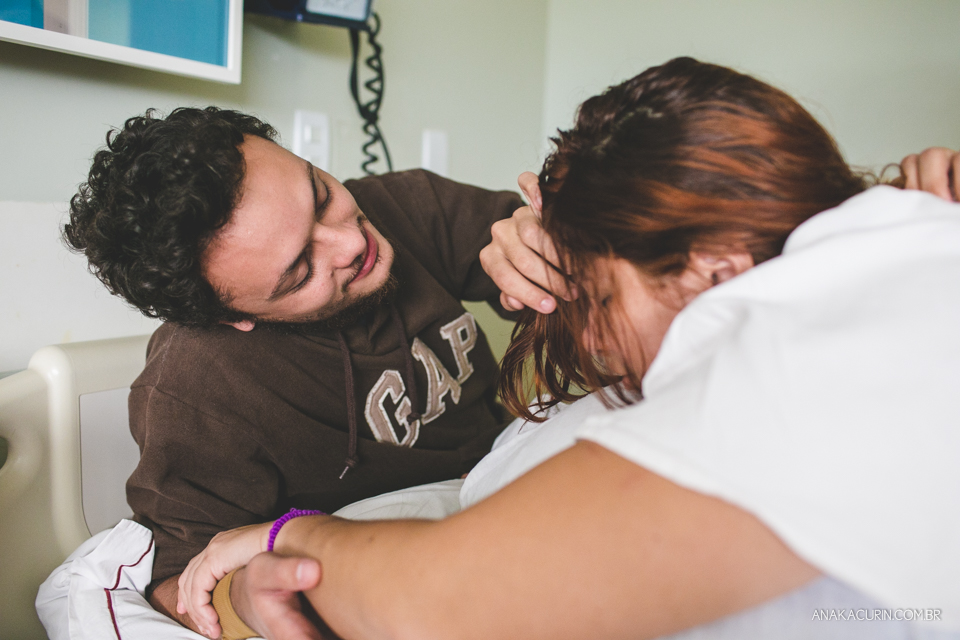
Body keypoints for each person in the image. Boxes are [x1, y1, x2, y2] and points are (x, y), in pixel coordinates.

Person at [177, 58, 960, 640]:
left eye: (597, 295)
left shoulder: (805, 344)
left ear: (714, 269)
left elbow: (444, 607)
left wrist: (294, 533)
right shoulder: (901, 248)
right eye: (298, 269)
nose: (585, 333)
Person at [62, 107, 527, 631]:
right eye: (301, 270)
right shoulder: (197, 391)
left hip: (508, 485)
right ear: (233, 317)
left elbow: (551, 251)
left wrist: (544, 247)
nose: (351, 243)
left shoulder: (401, 207)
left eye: (321, 196)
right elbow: (179, 582)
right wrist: (244, 592)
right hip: (385, 566)